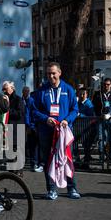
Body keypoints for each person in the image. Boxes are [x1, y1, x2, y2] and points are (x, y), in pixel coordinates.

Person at [31, 62, 80, 200]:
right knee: (48, 161)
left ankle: (72, 188)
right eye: (48, 74)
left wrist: (67, 120)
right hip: (47, 131)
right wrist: (46, 118)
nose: (51, 76)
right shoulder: (41, 91)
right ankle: (51, 189)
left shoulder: (68, 89)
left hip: (64, 131)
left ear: (59, 73)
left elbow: (75, 109)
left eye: (53, 73)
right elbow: (34, 111)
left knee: (67, 159)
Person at [3, 81, 25, 177]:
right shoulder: (4, 99)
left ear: (12, 88)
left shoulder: (18, 99)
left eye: (6, 89)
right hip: (8, 128)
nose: (4, 91)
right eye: (3, 89)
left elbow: (20, 113)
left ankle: (19, 170)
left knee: (18, 149)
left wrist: (8, 110)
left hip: (17, 127)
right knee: (10, 149)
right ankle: (12, 169)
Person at [75, 88, 96, 169]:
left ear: (87, 94)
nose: (81, 95)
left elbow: (91, 116)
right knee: (75, 144)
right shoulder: (78, 103)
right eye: (80, 94)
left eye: (83, 94)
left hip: (87, 128)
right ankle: (77, 161)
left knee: (86, 146)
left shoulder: (89, 104)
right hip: (78, 127)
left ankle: (86, 163)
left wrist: (80, 115)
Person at [22, 86, 41, 172]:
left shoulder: (32, 100)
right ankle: (33, 163)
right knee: (31, 146)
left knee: (34, 146)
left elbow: (30, 114)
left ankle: (35, 163)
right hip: (30, 126)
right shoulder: (27, 100)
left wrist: (30, 125)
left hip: (34, 126)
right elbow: (27, 114)